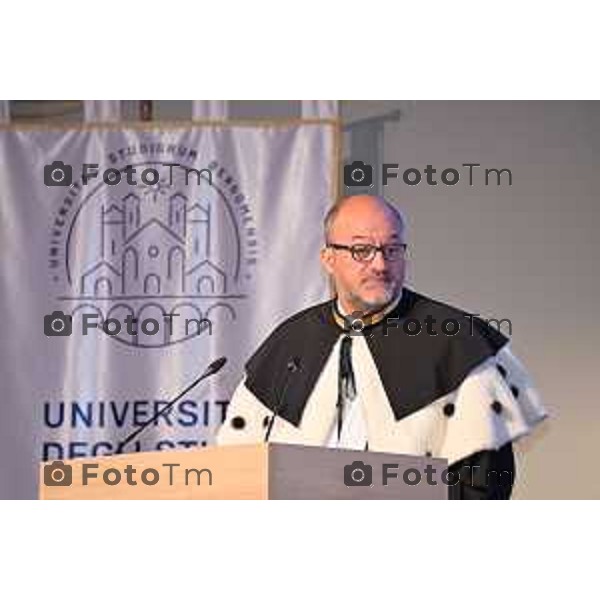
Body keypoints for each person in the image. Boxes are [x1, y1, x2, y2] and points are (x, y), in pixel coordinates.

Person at [216, 194, 547, 499]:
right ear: (328, 259)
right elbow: (236, 467)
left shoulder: (458, 341)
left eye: (392, 250)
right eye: (362, 251)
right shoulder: (290, 343)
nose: (380, 264)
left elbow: (485, 484)